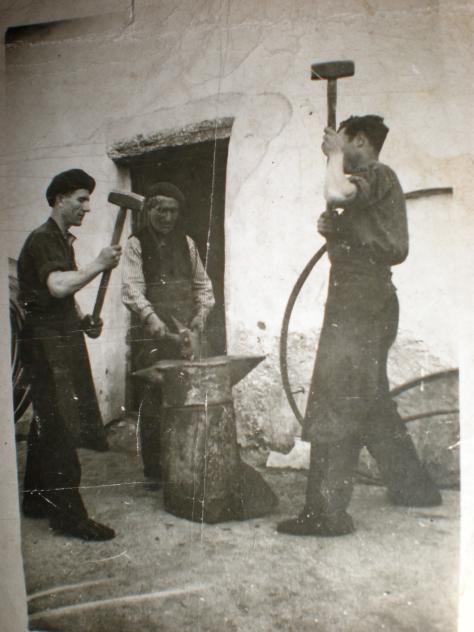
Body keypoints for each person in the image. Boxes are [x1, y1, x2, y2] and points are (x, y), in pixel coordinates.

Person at [278, 115, 441, 537]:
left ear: (362, 141)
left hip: (360, 301)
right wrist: (334, 232)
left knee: (337, 396)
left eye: (344, 141)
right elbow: (355, 224)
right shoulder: (371, 185)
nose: (336, 148)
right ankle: (415, 488)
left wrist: (334, 155)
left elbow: (336, 191)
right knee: (370, 398)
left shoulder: (377, 174)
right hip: (365, 299)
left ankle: (325, 514)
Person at [18, 169, 121, 541]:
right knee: (60, 421)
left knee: (48, 418)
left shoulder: (61, 240)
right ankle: (69, 518)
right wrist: (99, 264)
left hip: (61, 335)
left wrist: (83, 321)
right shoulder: (43, 239)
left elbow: (65, 297)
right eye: (81, 199)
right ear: (59, 199)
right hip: (46, 343)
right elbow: (58, 285)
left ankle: (35, 499)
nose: (87, 207)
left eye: (88, 199)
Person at [122, 182, 215, 481]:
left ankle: (186, 465)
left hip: (186, 333)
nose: (167, 217)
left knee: (189, 397)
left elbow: (203, 285)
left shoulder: (187, 243)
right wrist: (150, 317)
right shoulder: (136, 244)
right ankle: (155, 471)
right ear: (149, 210)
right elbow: (132, 289)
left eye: (173, 211)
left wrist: (200, 316)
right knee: (154, 401)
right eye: (161, 210)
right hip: (153, 336)